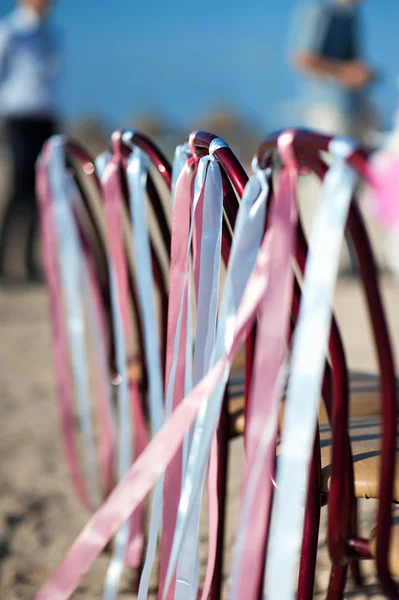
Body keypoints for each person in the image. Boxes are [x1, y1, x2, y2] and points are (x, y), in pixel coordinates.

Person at [0, 0, 62, 282]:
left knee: (42, 190)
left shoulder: (53, 33)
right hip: (19, 118)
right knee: (20, 190)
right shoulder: (10, 32)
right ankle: (3, 260)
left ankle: (30, 261)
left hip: (45, 118)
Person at [290, 0, 377, 145]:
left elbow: (352, 62)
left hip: (353, 107)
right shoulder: (319, 8)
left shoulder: (351, 15)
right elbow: (303, 59)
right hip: (327, 109)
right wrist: (346, 71)